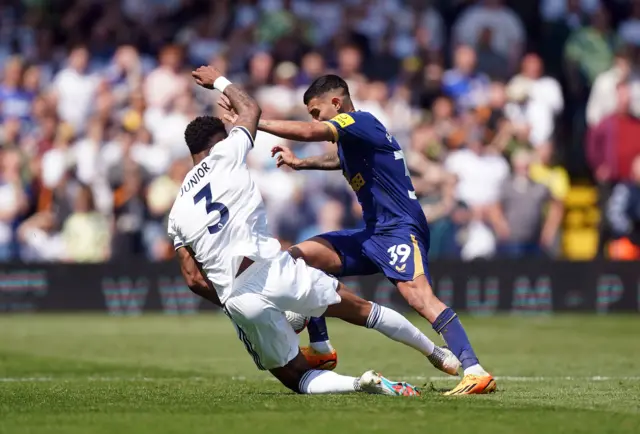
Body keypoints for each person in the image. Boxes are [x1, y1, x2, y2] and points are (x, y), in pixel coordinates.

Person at [169, 65, 460, 396]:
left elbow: (193, 279)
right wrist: (218, 81)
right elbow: (251, 110)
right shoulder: (226, 153)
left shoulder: (177, 209)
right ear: (220, 140)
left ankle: (358, 382)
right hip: (270, 269)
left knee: (297, 378)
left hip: (235, 294)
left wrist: (227, 300)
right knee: (364, 310)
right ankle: (436, 353)